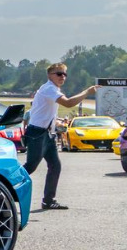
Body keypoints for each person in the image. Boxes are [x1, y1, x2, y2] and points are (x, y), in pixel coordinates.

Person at [24, 63, 97, 211]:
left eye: (64, 74)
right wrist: (87, 92)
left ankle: (48, 200)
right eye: (59, 74)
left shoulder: (54, 89)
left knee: (55, 166)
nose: (62, 77)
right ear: (49, 75)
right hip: (37, 133)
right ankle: (0, 187)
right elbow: (68, 103)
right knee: (30, 167)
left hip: (47, 133)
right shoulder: (49, 89)